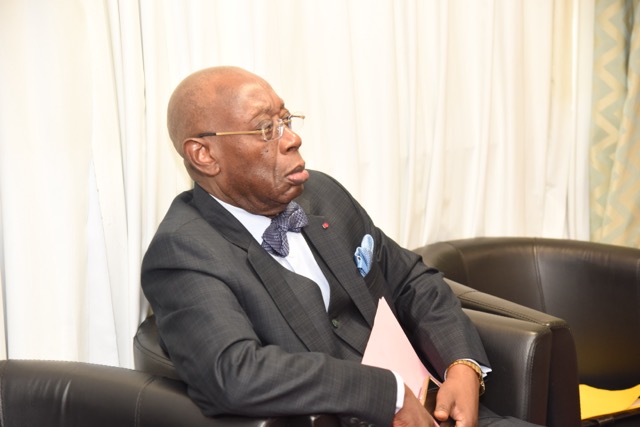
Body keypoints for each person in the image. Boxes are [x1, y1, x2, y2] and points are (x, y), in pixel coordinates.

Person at [141, 66, 542, 427]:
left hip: (437, 411)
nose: (292, 138)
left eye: (285, 120)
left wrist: (462, 363)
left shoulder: (322, 194)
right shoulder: (183, 252)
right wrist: (387, 393)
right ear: (204, 155)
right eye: (265, 129)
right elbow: (235, 372)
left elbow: (411, 280)